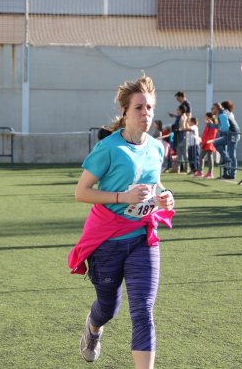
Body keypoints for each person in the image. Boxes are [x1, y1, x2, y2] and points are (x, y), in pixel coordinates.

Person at [68, 74, 175, 369]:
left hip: (142, 238)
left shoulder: (156, 148)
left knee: (143, 310)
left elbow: (156, 183)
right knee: (108, 309)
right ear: (125, 112)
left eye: (149, 108)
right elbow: (81, 193)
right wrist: (122, 198)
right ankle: (93, 328)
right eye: (139, 108)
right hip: (107, 242)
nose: (146, 113)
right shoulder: (109, 148)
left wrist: (165, 196)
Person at [168, 104, 188, 172]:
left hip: (182, 136)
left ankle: (186, 168)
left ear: (181, 110)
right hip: (178, 136)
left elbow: (182, 127)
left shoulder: (183, 117)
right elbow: (177, 116)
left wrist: (177, 129)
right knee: (179, 153)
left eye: (178, 110)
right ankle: (178, 168)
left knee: (184, 153)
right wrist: (173, 115)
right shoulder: (180, 116)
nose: (176, 111)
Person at [200, 112, 218, 179]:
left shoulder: (212, 125)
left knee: (210, 158)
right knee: (201, 157)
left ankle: (210, 173)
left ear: (209, 117)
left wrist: (206, 142)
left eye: (206, 116)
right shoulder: (208, 124)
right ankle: (200, 171)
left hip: (209, 143)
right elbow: (205, 134)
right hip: (205, 143)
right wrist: (202, 141)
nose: (205, 118)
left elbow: (211, 135)